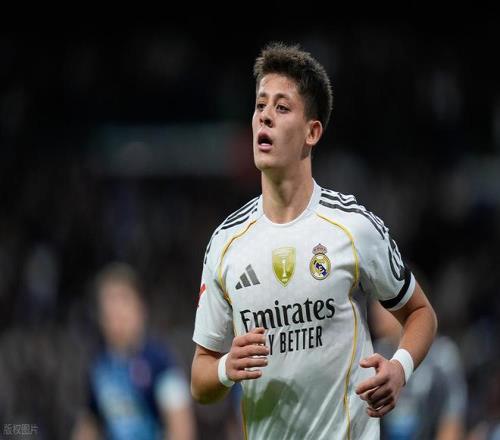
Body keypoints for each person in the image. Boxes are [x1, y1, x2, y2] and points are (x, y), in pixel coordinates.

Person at [190, 42, 437, 439]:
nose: (265, 116)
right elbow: (200, 379)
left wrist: (400, 368)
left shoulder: (353, 227)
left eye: (281, 107)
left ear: (312, 131)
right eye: (260, 105)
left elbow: (421, 314)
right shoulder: (226, 243)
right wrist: (225, 368)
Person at [73, 262, 196, 440]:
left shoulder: (160, 361)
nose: (116, 311)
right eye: (109, 303)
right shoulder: (99, 366)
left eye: (123, 300)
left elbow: (180, 425)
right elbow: (89, 422)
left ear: (140, 309)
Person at [370, 299, 467, 440]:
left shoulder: (442, 356)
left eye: (382, 304)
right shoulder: (376, 352)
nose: (376, 312)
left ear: (408, 305)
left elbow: (452, 415)